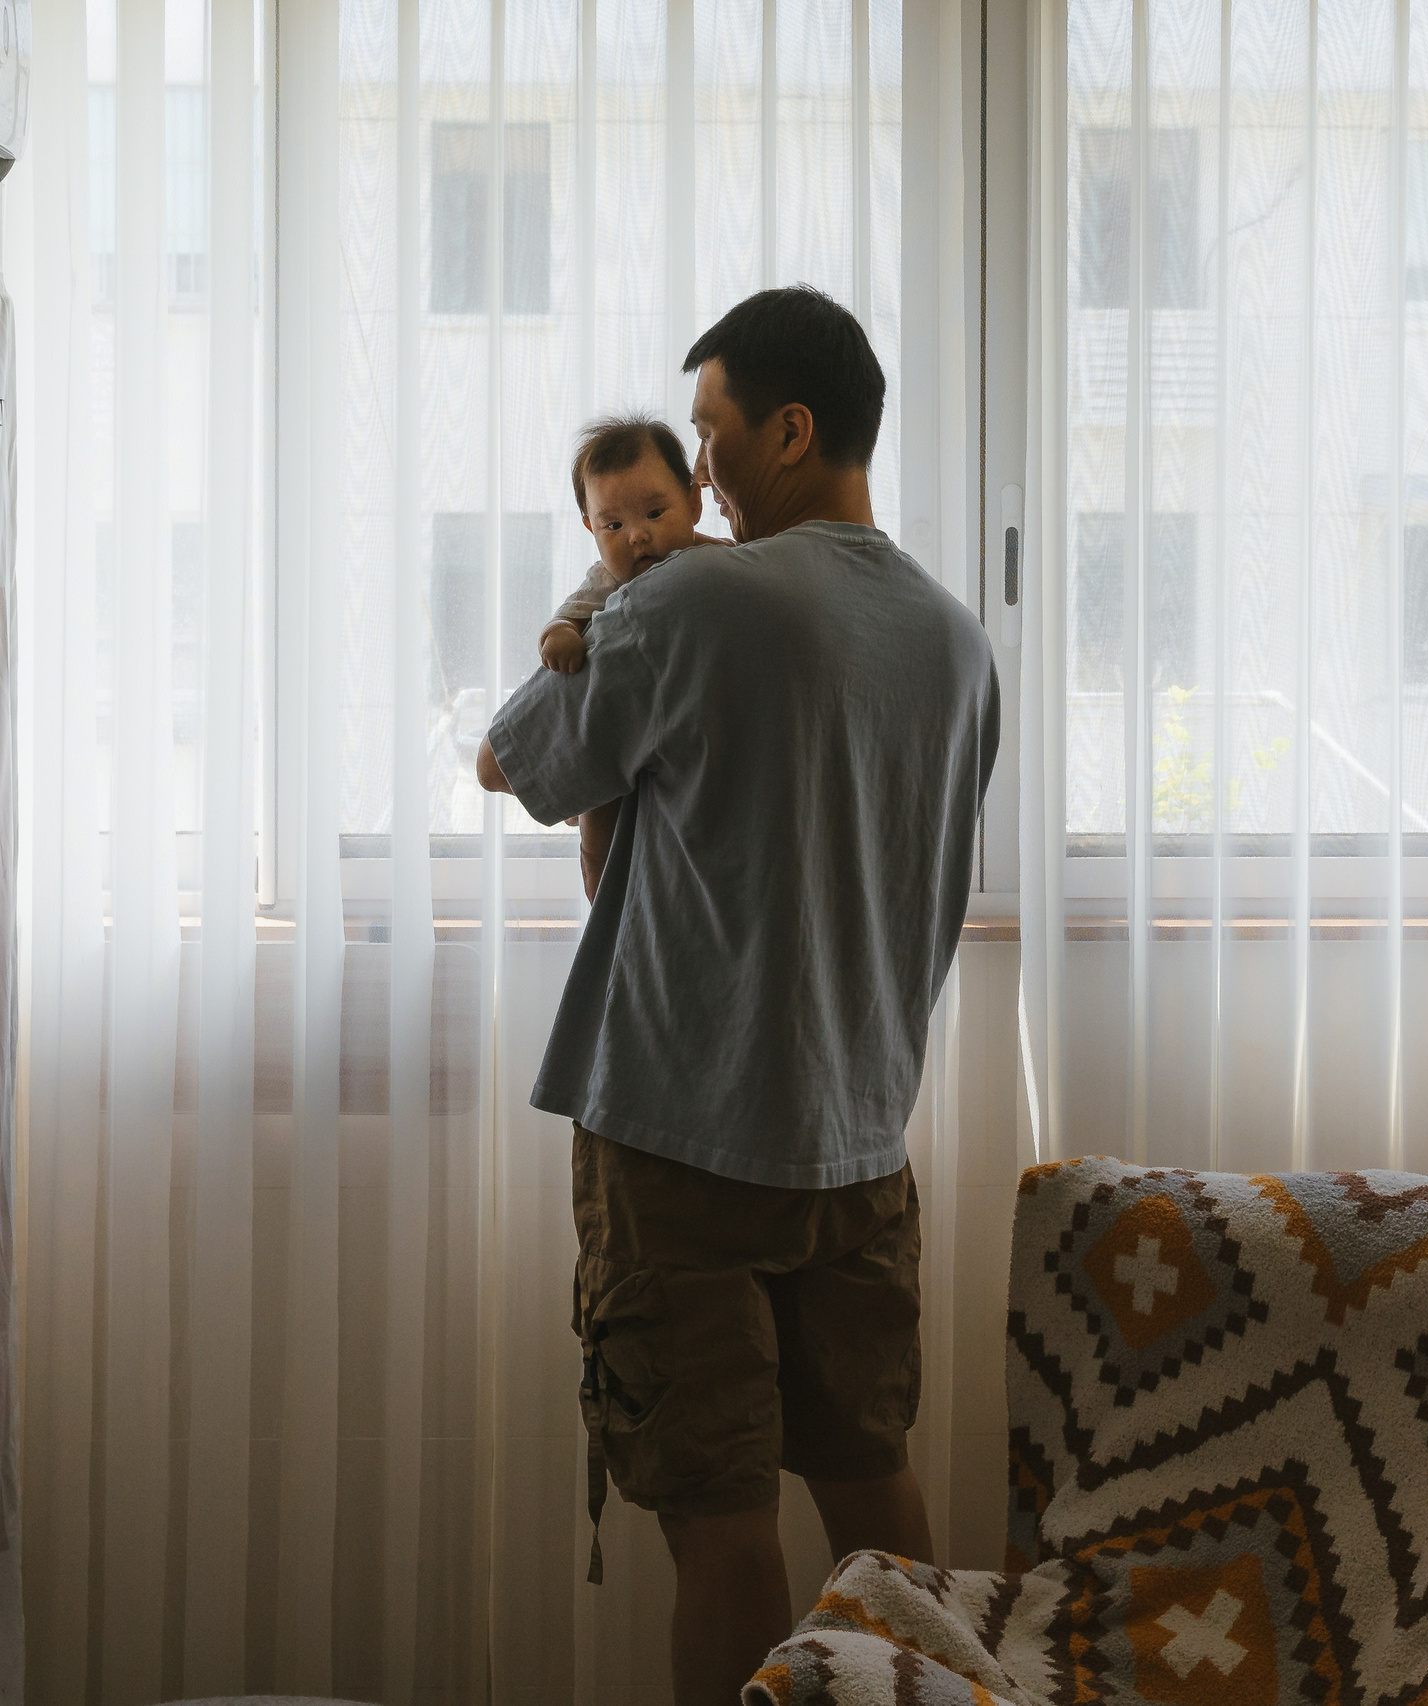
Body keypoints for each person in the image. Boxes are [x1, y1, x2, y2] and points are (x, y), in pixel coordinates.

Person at [475, 285, 1000, 1706]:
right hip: (861, 1141)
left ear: (790, 428)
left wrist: (599, 587)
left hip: (681, 1138)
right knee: (880, 1511)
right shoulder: (958, 643)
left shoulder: (692, 596)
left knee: (721, 1534)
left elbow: (520, 762)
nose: (696, 472)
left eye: (709, 434)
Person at [536, 414, 726, 899]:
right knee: (600, 825)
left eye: (655, 514)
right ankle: (602, 896)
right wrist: (561, 638)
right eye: (614, 525)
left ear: (693, 501)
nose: (637, 535)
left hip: (683, 744)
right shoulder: (605, 580)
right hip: (616, 746)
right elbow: (563, 622)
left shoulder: (716, 558)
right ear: (591, 529)